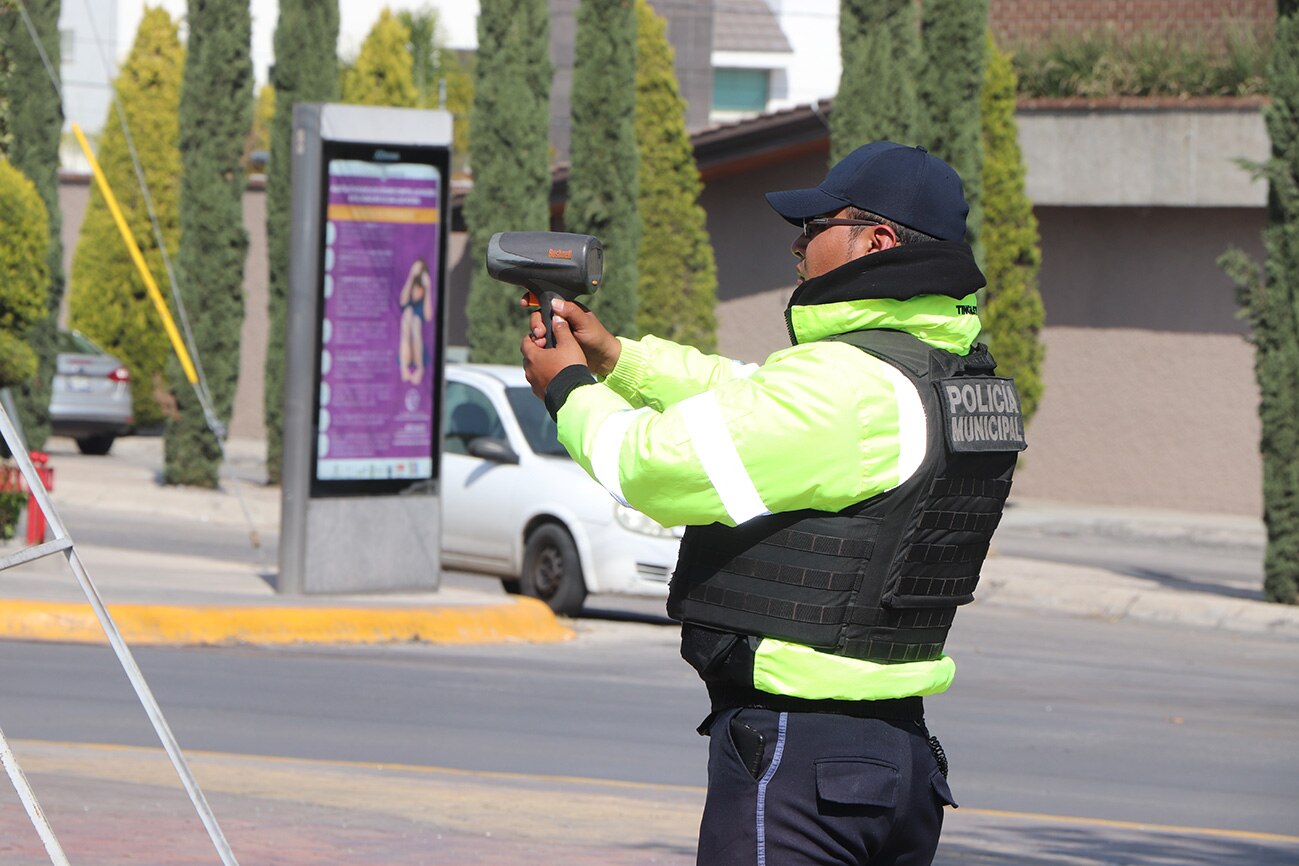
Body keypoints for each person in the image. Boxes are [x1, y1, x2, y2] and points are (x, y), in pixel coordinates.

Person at [520, 141, 1027, 865]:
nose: (797, 244)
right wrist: (616, 359)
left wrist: (566, 388)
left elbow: (652, 466)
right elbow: (749, 398)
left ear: (876, 241)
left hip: (800, 756)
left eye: (817, 225)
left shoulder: (846, 386)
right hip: (897, 759)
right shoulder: (937, 378)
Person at [399, 257, 433, 384]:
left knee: (415, 321)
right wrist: (411, 277)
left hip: (418, 330)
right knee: (408, 315)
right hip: (407, 331)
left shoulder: (424, 288)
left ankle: (419, 367)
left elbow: (428, 315)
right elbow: (403, 301)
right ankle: (404, 367)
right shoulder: (411, 284)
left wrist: (427, 288)